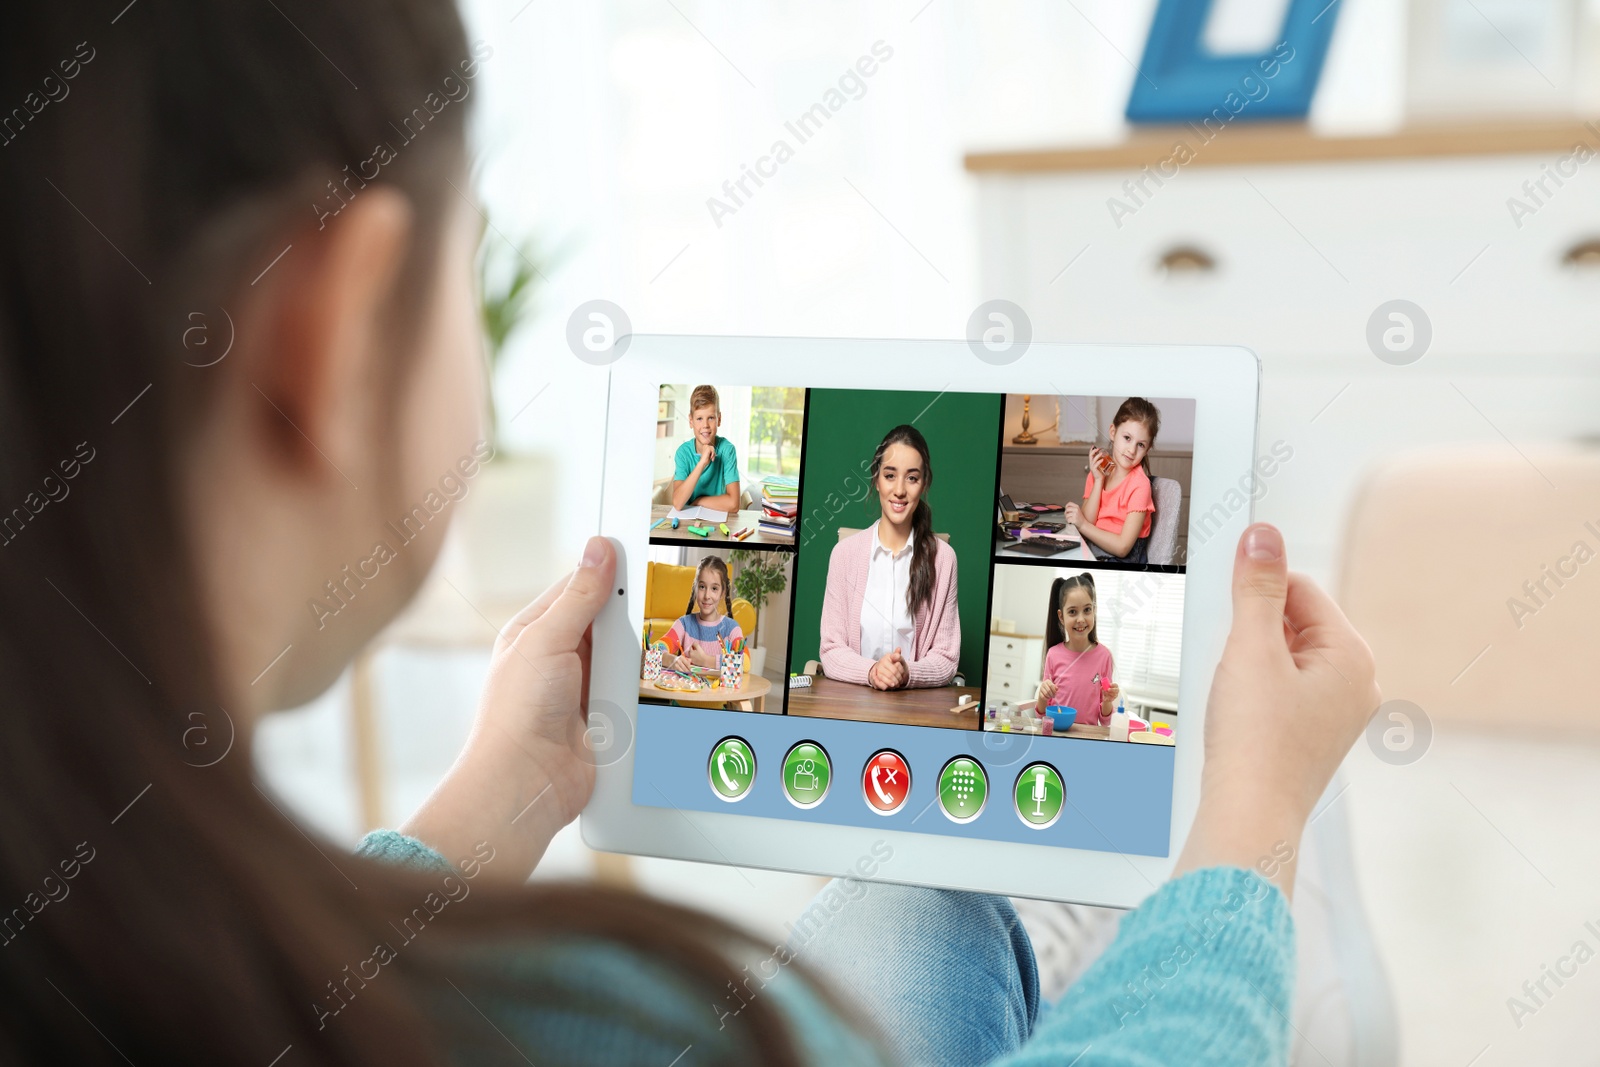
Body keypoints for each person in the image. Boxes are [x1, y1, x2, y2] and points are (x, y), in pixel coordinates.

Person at [0, 5, 1382, 1064]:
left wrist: (495, 797)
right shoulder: (607, 1012)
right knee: (1142, 876)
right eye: (466, 268)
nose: (903, 489)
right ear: (340, 337)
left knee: (928, 895)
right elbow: (847, 639)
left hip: (927, 732)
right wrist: (1248, 830)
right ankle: (1241, 888)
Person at [818, 425, 959, 690]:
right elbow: (830, 650)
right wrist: (873, 672)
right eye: (890, 475)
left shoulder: (944, 559)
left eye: (912, 478)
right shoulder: (843, 555)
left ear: (924, 483)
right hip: (851, 704)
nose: (899, 490)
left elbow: (946, 658)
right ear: (876, 479)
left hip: (913, 710)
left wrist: (908, 673)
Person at [1065, 397, 1160, 564]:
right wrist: (1098, 480)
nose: (1131, 450)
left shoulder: (1140, 485)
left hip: (1121, 558)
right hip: (1093, 547)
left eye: (1140, 445)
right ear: (1113, 432)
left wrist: (1083, 525)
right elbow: (1088, 520)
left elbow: (1123, 548)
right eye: (1127, 438)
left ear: (1147, 449)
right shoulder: (1097, 473)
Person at [1035, 573, 1120, 727]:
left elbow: (1105, 720)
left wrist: (1107, 701)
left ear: (1094, 610)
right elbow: (1042, 714)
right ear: (1061, 616)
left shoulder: (1104, 656)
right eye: (1073, 612)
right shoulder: (1053, 654)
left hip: (1088, 738)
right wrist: (1042, 695)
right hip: (1058, 734)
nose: (1080, 619)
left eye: (1087, 610)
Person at [661, 556, 744, 673]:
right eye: (702, 587)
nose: (706, 595)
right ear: (695, 588)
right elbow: (655, 649)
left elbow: (745, 662)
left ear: (722, 593)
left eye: (714, 588)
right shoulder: (683, 624)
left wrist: (705, 661)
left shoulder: (732, 628)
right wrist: (671, 660)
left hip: (719, 691)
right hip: (688, 689)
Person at [669, 384, 742, 512]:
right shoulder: (683, 453)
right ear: (691, 421)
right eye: (699, 419)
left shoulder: (727, 450)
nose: (705, 425)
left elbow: (734, 504)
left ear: (719, 419)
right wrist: (702, 462)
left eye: (711, 418)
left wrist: (698, 501)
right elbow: (678, 503)